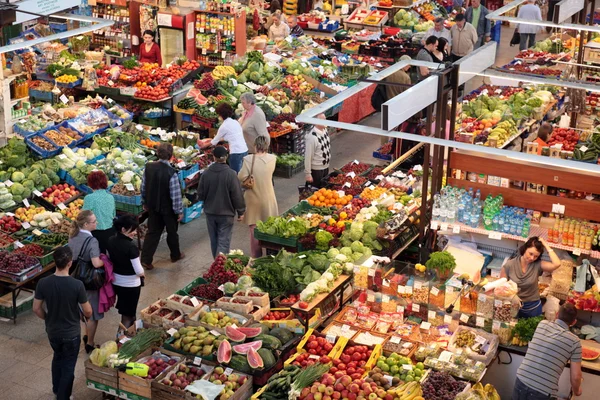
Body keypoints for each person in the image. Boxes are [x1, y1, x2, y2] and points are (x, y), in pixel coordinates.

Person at [33, 247, 92, 400]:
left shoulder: (43, 283)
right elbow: (88, 311)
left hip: (53, 330)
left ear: (54, 261)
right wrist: (85, 316)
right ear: (70, 263)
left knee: (57, 357)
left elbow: (36, 308)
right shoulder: (77, 285)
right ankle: (63, 396)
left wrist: (47, 318)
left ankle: (56, 388)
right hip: (71, 333)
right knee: (68, 364)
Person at [514, 303, 583, 399]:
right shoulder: (575, 341)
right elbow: (576, 377)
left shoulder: (542, 324)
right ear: (574, 322)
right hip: (544, 392)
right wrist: (577, 391)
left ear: (557, 314)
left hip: (521, 380)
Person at [141, 143, 185, 270]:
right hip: (168, 209)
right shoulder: (171, 173)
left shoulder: (148, 167)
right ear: (171, 156)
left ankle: (146, 260)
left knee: (152, 232)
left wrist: (144, 202)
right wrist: (179, 211)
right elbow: (175, 195)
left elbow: (143, 187)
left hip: (153, 207)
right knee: (172, 232)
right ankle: (175, 255)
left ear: (157, 153)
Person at [197, 146, 246, 258]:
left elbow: (200, 195)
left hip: (210, 213)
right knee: (223, 242)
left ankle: (216, 264)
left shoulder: (206, 173)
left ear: (214, 157)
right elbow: (237, 195)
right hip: (226, 214)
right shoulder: (231, 174)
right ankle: (219, 267)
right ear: (226, 157)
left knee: (214, 240)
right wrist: (241, 212)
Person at [68, 210, 104, 354]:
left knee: (82, 310)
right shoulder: (92, 240)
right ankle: (90, 343)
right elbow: (96, 263)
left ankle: (85, 335)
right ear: (85, 224)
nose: (96, 223)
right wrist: (105, 261)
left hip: (74, 278)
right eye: (94, 221)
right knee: (92, 314)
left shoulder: (72, 236)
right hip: (88, 281)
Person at [501, 236, 561, 317]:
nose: (532, 258)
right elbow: (501, 286)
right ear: (525, 248)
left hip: (532, 306)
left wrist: (545, 245)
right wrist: (512, 296)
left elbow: (557, 264)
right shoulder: (509, 265)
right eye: (530, 253)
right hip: (513, 304)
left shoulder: (538, 264)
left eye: (536, 256)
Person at [238, 136, 278, 258]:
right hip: (269, 198)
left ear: (255, 146)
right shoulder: (273, 159)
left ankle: (256, 256)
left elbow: (241, 176)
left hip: (253, 199)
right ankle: (271, 254)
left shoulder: (248, 159)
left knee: (254, 230)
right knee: (270, 227)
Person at [106, 215, 145, 329]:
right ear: (123, 229)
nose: (134, 232)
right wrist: (143, 274)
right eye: (132, 230)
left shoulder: (110, 240)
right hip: (131, 285)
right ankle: (121, 340)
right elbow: (138, 271)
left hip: (117, 282)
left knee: (128, 312)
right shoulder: (131, 247)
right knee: (128, 315)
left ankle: (131, 335)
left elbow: (109, 258)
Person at [198, 102, 248, 173]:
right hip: (245, 150)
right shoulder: (235, 122)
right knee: (243, 173)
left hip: (236, 152)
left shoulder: (224, 126)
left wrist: (203, 146)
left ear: (221, 115)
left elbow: (214, 142)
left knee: (235, 174)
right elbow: (230, 136)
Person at [82, 170, 116, 253]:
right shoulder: (110, 197)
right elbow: (113, 214)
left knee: (99, 256)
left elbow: (83, 216)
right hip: (110, 231)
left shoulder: (89, 198)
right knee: (110, 256)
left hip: (95, 233)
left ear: (90, 183)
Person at [304, 114, 331, 187]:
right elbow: (308, 157)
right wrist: (308, 174)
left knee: (323, 190)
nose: (325, 121)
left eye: (325, 119)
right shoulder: (312, 137)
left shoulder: (325, 130)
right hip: (316, 170)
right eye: (323, 120)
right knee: (314, 192)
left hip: (325, 167)